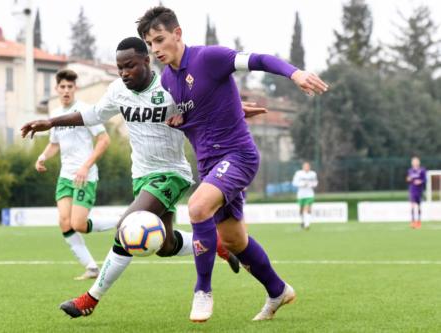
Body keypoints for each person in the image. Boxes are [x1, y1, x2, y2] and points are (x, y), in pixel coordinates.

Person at [21, 37, 266, 318]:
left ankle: (91, 299)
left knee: (128, 227)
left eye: (130, 66)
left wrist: (238, 108)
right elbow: (91, 114)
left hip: (172, 174)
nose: (124, 72)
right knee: (164, 245)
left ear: (146, 61)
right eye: (119, 68)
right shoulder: (117, 91)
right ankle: (216, 244)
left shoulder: (170, 87)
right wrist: (50, 122)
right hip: (142, 176)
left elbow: (205, 103)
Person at [136, 6, 328, 322]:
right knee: (234, 241)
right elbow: (202, 108)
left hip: (238, 156)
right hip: (211, 166)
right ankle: (278, 290)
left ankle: (202, 291)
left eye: (159, 39)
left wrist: (295, 73)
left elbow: (258, 60)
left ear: (177, 34)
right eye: (150, 44)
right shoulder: (168, 80)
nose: (155, 49)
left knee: (197, 208)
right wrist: (188, 119)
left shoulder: (209, 58)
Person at [37, 69, 113, 280]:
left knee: (79, 224)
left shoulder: (85, 111)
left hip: (84, 176)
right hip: (65, 176)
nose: (66, 90)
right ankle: (91, 267)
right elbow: (54, 144)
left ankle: (119, 222)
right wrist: (42, 157)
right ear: (57, 89)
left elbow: (104, 140)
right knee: (64, 221)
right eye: (62, 87)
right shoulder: (54, 114)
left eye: (70, 87)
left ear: (75, 88)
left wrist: (85, 166)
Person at [292, 161, 318, 229]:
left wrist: (311, 184)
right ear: (303, 167)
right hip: (301, 194)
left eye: (308, 166)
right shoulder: (298, 173)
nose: (306, 167)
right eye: (305, 166)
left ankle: (307, 224)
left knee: (307, 208)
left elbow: (315, 183)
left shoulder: (313, 174)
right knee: (301, 210)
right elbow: (294, 183)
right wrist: (302, 184)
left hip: (309, 194)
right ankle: (303, 222)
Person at [406, 156, 426, 229]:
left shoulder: (422, 170)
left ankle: (419, 222)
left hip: (419, 190)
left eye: (416, 161)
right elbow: (408, 179)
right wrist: (409, 179)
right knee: (412, 206)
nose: (414, 163)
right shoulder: (410, 171)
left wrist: (420, 181)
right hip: (412, 190)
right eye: (413, 161)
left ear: (418, 162)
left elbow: (425, 179)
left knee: (419, 206)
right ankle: (413, 221)